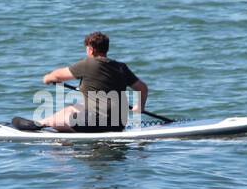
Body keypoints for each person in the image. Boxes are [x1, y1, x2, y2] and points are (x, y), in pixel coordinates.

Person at [13, 31, 148, 132]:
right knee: (71, 108)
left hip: (97, 124)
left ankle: (40, 125)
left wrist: (47, 78)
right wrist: (139, 107)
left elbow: (58, 76)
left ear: (91, 49)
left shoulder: (87, 64)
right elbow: (142, 88)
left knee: (67, 119)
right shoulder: (121, 67)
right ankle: (41, 122)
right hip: (119, 123)